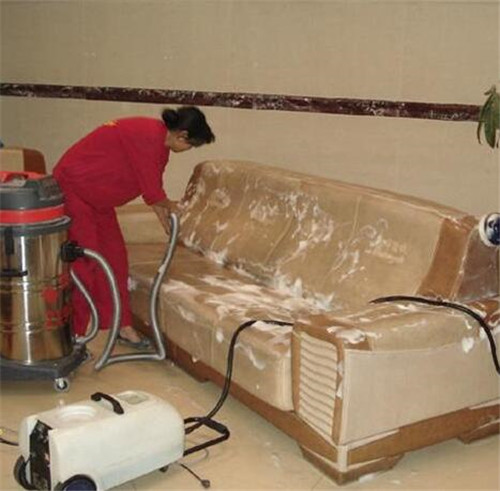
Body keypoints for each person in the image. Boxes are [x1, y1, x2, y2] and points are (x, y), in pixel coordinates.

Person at [53, 106, 215, 348]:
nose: (188, 150)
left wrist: (166, 221)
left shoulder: (160, 144)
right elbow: (153, 192)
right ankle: (73, 336)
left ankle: (122, 325)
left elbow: (151, 189)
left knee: (115, 260)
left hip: (98, 202)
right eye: (190, 145)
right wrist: (174, 207)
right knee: (86, 263)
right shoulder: (148, 136)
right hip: (75, 192)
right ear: (182, 135)